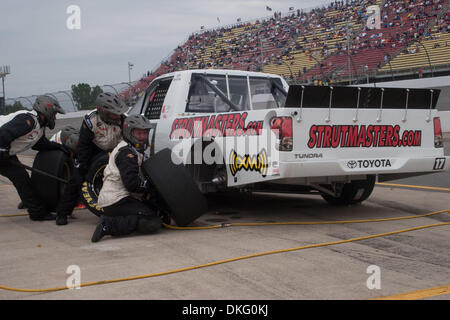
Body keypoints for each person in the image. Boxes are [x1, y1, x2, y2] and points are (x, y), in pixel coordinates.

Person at [55, 92, 128, 225]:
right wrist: (83, 164)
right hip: (94, 149)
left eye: (119, 112)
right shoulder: (90, 120)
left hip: (117, 151)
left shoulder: (124, 120)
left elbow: (130, 143)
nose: (118, 115)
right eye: (114, 113)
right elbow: (83, 145)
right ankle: (62, 212)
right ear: (103, 111)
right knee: (77, 177)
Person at [91, 114, 161, 242]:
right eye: (139, 133)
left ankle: (114, 219)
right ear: (129, 133)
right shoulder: (127, 154)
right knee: (151, 221)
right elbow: (132, 184)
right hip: (116, 200)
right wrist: (150, 186)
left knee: (152, 209)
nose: (143, 137)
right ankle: (108, 225)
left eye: (145, 133)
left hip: (120, 198)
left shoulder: (131, 149)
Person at [0, 95, 67, 221]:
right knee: (21, 177)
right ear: (46, 110)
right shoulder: (27, 120)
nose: (55, 117)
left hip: (5, 151)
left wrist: (58, 147)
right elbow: (4, 133)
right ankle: (37, 212)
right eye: (54, 114)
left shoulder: (38, 127)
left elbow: (39, 144)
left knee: (21, 178)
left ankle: (32, 205)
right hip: (2, 148)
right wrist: (2, 150)